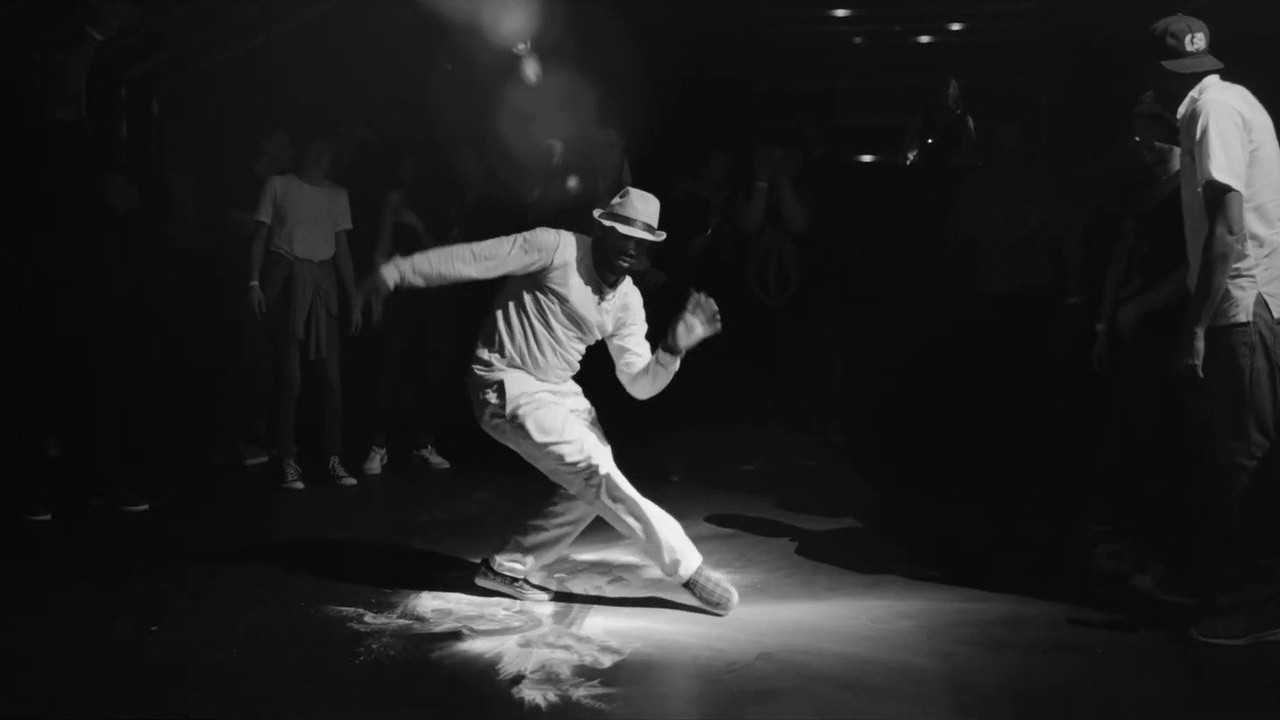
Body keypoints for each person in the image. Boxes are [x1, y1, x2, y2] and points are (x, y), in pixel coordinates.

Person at [358, 187, 740, 615]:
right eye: (623, 235)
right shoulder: (554, 247)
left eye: (641, 242)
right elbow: (475, 258)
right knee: (595, 471)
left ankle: (508, 567)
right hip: (503, 380)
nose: (631, 249)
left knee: (590, 482)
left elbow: (638, 384)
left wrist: (671, 350)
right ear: (601, 229)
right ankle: (687, 569)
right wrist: (396, 272)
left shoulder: (628, 301)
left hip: (557, 389)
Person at [1147, 14, 1280, 645]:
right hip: (1254, 302)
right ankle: (1244, 590)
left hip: (1242, 306)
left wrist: (1195, 325)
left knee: (1243, 456)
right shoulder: (1232, 99)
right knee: (1242, 452)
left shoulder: (1210, 112)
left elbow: (1226, 230)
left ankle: (1260, 606)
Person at [1087, 94, 1192, 600]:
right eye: (1137, 137)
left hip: (1162, 331)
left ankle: (1167, 557)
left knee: (1160, 441)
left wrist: (1142, 307)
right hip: (1130, 331)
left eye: (1153, 135)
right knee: (1131, 438)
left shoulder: (1189, 193)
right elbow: (1120, 258)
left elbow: (1195, 266)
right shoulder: (1143, 195)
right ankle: (1138, 542)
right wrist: (1104, 324)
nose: (1144, 145)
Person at [249, 133, 362, 490]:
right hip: (288, 283)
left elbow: (342, 249)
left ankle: (333, 457)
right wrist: (254, 282)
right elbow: (260, 236)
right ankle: (287, 458)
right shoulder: (279, 185)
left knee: (331, 380)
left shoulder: (337, 195)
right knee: (291, 378)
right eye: (316, 151)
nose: (321, 158)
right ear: (306, 152)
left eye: (327, 152)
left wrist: (353, 297)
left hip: (322, 287)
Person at [362, 153, 453, 476]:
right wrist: (377, 297)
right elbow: (382, 247)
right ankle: (378, 447)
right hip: (399, 295)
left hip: (430, 295)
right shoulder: (396, 200)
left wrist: (417, 224)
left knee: (427, 371)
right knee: (389, 369)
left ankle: (423, 444)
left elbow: (443, 253)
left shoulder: (441, 201)